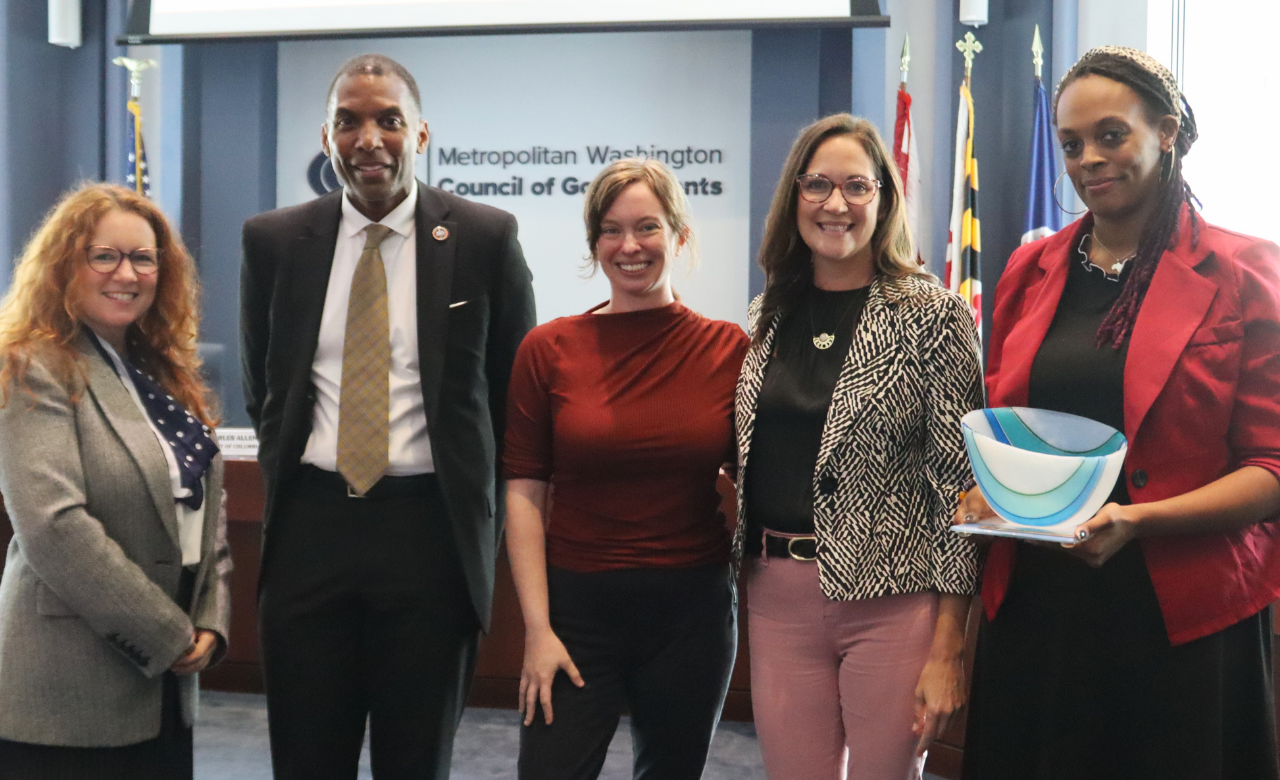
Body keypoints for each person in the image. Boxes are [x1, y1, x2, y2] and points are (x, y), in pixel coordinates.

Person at [956, 46, 1280, 780]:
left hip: (1179, 620)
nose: (1087, 160)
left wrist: (1136, 520)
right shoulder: (1028, 269)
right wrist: (994, 492)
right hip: (1041, 608)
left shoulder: (1245, 271)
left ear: (1166, 132)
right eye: (1070, 145)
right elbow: (1011, 426)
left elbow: (1272, 468)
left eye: (1111, 135)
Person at [241, 54, 536, 780]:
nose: (368, 137)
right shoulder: (275, 242)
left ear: (422, 133)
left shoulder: (484, 238)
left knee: (415, 763)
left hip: (428, 539)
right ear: (326, 136)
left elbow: (512, 397)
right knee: (307, 762)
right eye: (349, 121)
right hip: (310, 534)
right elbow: (265, 388)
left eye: (388, 120)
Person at [734, 113, 983, 780]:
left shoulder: (933, 315)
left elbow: (959, 488)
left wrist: (948, 646)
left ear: (885, 199)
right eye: (817, 185)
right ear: (794, 198)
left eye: (856, 186)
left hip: (894, 603)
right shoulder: (767, 315)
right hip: (776, 594)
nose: (835, 204)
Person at [503, 158, 747, 780]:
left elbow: (760, 478)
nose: (630, 246)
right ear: (594, 245)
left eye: (648, 227)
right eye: (611, 230)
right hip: (575, 617)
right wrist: (537, 629)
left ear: (679, 236)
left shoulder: (730, 351)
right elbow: (524, 493)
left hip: (690, 615)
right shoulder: (549, 349)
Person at [0, 183, 231, 780]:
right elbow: (53, 528)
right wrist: (168, 634)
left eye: (143, 258)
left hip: (164, 698)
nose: (125, 273)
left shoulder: (161, 373)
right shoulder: (32, 365)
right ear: (64, 266)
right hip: (67, 696)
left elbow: (205, 506)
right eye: (104, 256)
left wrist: (211, 616)